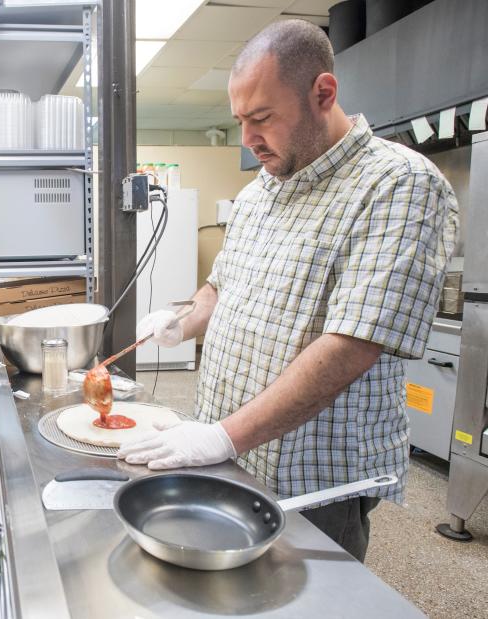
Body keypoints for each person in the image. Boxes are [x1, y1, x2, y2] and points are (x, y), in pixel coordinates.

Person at [119, 19, 458, 562]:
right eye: (240, 121)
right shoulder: (260, 193)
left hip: (311, 473)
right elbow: (219, 287)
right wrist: (182, 319)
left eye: (262, 118)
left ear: (322, 94)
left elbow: (353, 344)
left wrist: (224, 437)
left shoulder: (399, 184)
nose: (248, 140)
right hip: (229, 451)